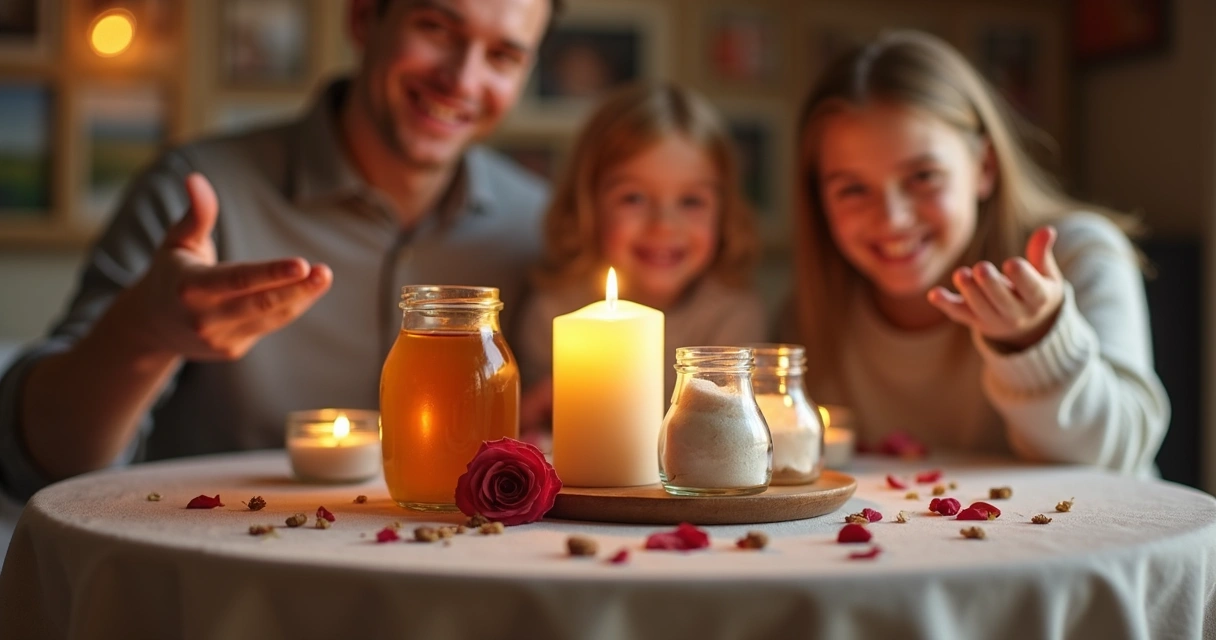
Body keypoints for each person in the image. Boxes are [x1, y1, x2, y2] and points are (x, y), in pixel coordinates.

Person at [0, 0, 560, 502]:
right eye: (436, 27)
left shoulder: (544, 226)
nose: (461, 79)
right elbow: (41, 460)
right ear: (364, 17)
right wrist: (143, 334)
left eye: (503, 56)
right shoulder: (196, 190)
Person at [786, 30, 1169, 475]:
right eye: (853, 188)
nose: (891, 218)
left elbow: (1121, 456)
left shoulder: (1079, 254)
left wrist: (1039, 344)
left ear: (984, 168)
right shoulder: (810, 314)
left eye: (923, 176)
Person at [516, 83, 767, 441]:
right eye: (633, 198)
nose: (664, 225)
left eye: (691, 201)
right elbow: (539, 429)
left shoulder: (732, 317)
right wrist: (534, 410)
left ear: (724, 212)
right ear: (589, 205)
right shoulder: (554, 312)